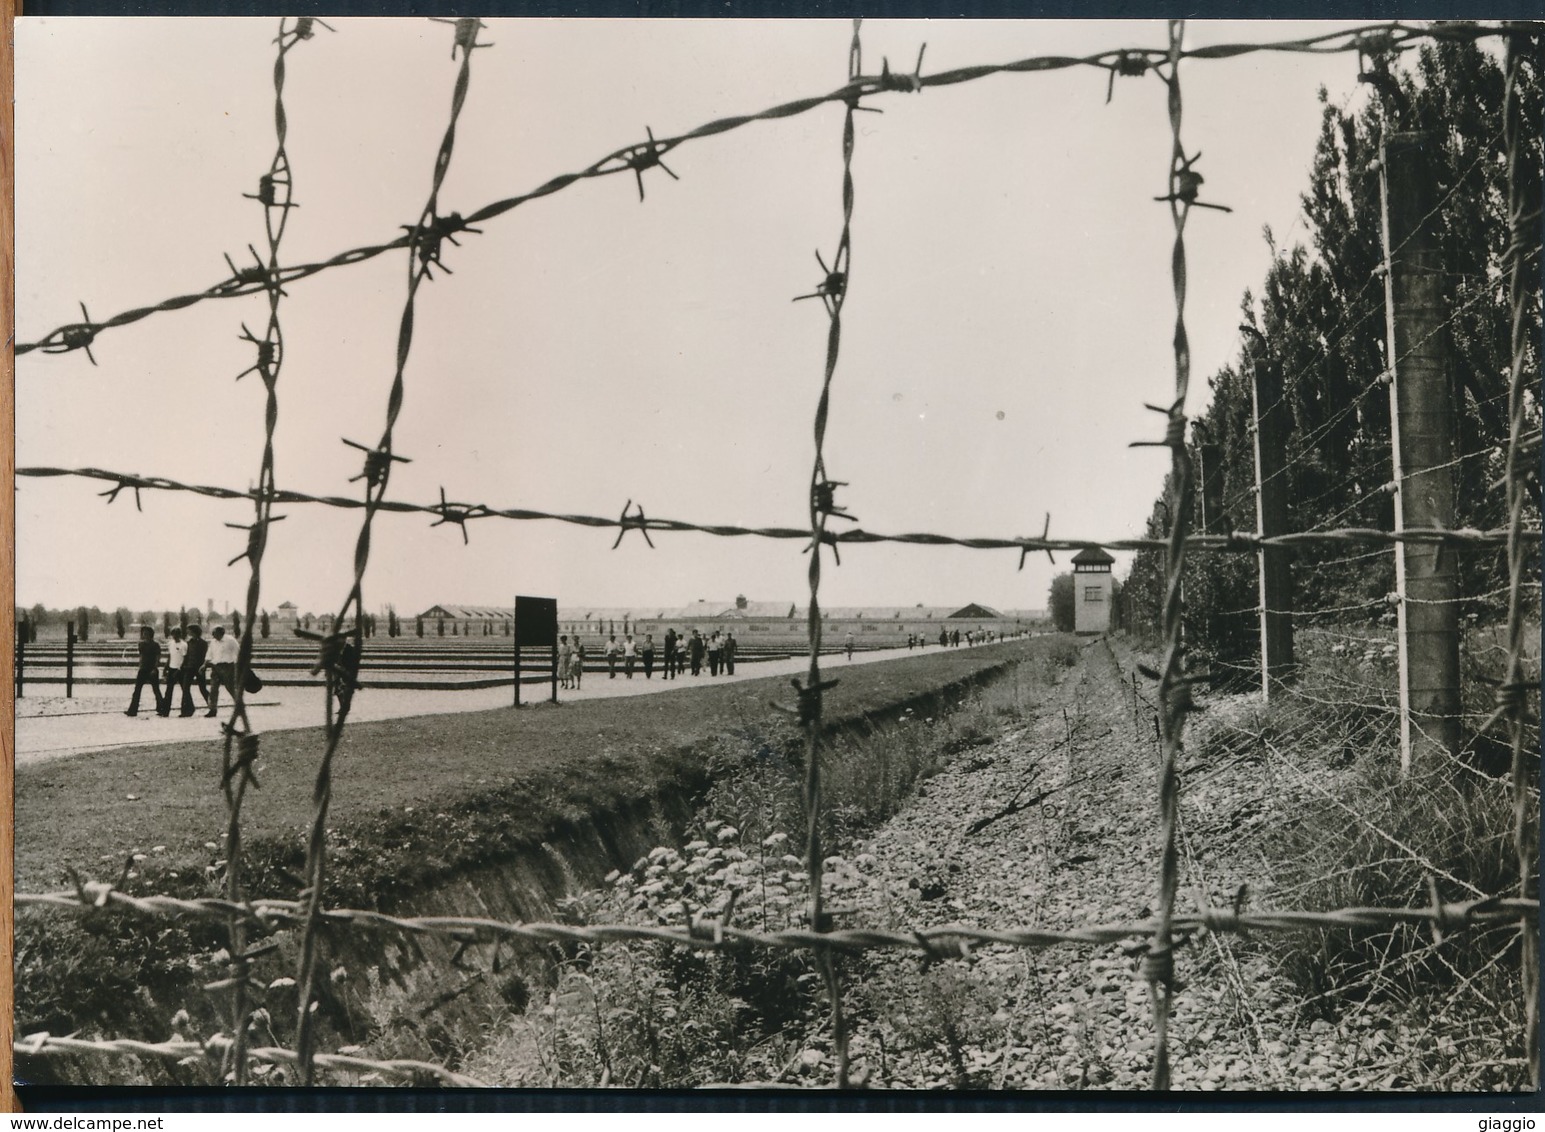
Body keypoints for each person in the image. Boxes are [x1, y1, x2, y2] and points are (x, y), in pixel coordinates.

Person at [125, 625, 163, 717]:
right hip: (143, 669)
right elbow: (141, 656)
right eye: (143, 633)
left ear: (151, 634)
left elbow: (158, 658)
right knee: (137, 690)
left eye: (146, 633)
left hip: (152, 670)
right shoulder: (141, 644)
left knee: (156, 690)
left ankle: (161, 709)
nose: (144, 634)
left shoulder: (155, 645)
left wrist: (155, 668)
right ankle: (132, 711)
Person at [206, 625, 239, 717]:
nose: (213, 636)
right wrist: (205, 664)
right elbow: (209, 653)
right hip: (215, 667)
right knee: (213, 689)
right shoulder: (213, 642)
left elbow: (237, 653)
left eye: (215, 633)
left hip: (227, 667)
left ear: (221, 633)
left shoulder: (230, 640)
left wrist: (236, 666)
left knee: (231, 688)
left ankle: (239, 707)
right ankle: (212, 709)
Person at [179, 624, 210, 716]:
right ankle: (187, 710)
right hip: (189, 668)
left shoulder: (203, 643)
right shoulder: (188, 643)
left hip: (199, 668)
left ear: (194, 631)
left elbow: (206, 656)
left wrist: (204, 667)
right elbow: (187, 655)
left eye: (189, 631)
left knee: (202, 688)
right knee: (185, 689)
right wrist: (184, 665)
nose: (188, 632)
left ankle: (212, 707)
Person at [159, 627, 186, 717]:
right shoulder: (170, 644)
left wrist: (179, 669)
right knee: (168, 690)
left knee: (185, 690)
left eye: (176, 634)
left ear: (180, 635)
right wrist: (165, 668)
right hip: (171, 668)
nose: (174, 636)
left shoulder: (184, 645)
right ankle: (165, 711)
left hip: (180, 669)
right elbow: (170, 656)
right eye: (173, 634)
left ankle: (187, 710)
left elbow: (185, 659)